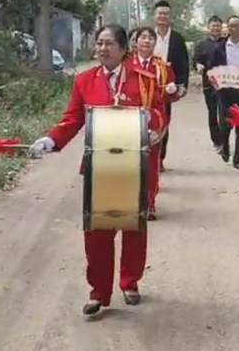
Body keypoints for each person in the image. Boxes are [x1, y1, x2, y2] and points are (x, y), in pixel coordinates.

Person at [29, 24, 165, 319]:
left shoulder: (144, 81)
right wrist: (52, 139)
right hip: (98, 168)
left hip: (134, 167)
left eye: (108, 44)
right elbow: (72, 119)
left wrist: (152, 128)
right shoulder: (85, 81)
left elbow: (158, 113)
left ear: (122, 49)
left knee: (133, 226)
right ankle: (98, 292)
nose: (102, 49)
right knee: (97, 231)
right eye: (99, 43)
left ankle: (130, 282)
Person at [133, 26, 178, 220]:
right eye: (142, 37)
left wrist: (172, 90)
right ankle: (133, 201)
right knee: (132, 164)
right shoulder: (127, 65)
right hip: (130, 119)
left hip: (155, 120)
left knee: (151, 163)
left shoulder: (163, 67)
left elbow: (173, 95)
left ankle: (150, 203)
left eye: (150, 38)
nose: (146, 41)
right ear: (136, 42)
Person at [210, 15, 239, 170]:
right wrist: (214, 80)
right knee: (225, 124)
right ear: (227, 28)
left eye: (236, 25)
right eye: (230, 26)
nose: (233, 29)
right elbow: (212, 67)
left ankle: (238, 159)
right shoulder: (220, 47)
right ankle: (225, 147)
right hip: (225, 90)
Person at [153, 0, 190, 169]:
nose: (163, 16)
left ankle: (160, 158)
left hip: (167, 88)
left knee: (163, 121)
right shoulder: (146, 36)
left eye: (166, 14)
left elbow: (183, 63)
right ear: (155, 15)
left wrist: (182, 86)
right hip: (146, 85)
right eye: (160, 13)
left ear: (170, 17)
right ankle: (148, 158)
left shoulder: (177, 39)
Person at [192, 15, 224, 151]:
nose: (216, 28)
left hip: (225, 83)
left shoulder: (227, 43)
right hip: (209, 84)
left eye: (218, 26)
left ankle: (225, 138)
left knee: (225, 113)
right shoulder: (201, 45)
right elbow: (195, 60)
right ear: (208, 27)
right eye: (213, 25)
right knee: (212, 112)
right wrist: (198, 65)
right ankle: (217, 141)